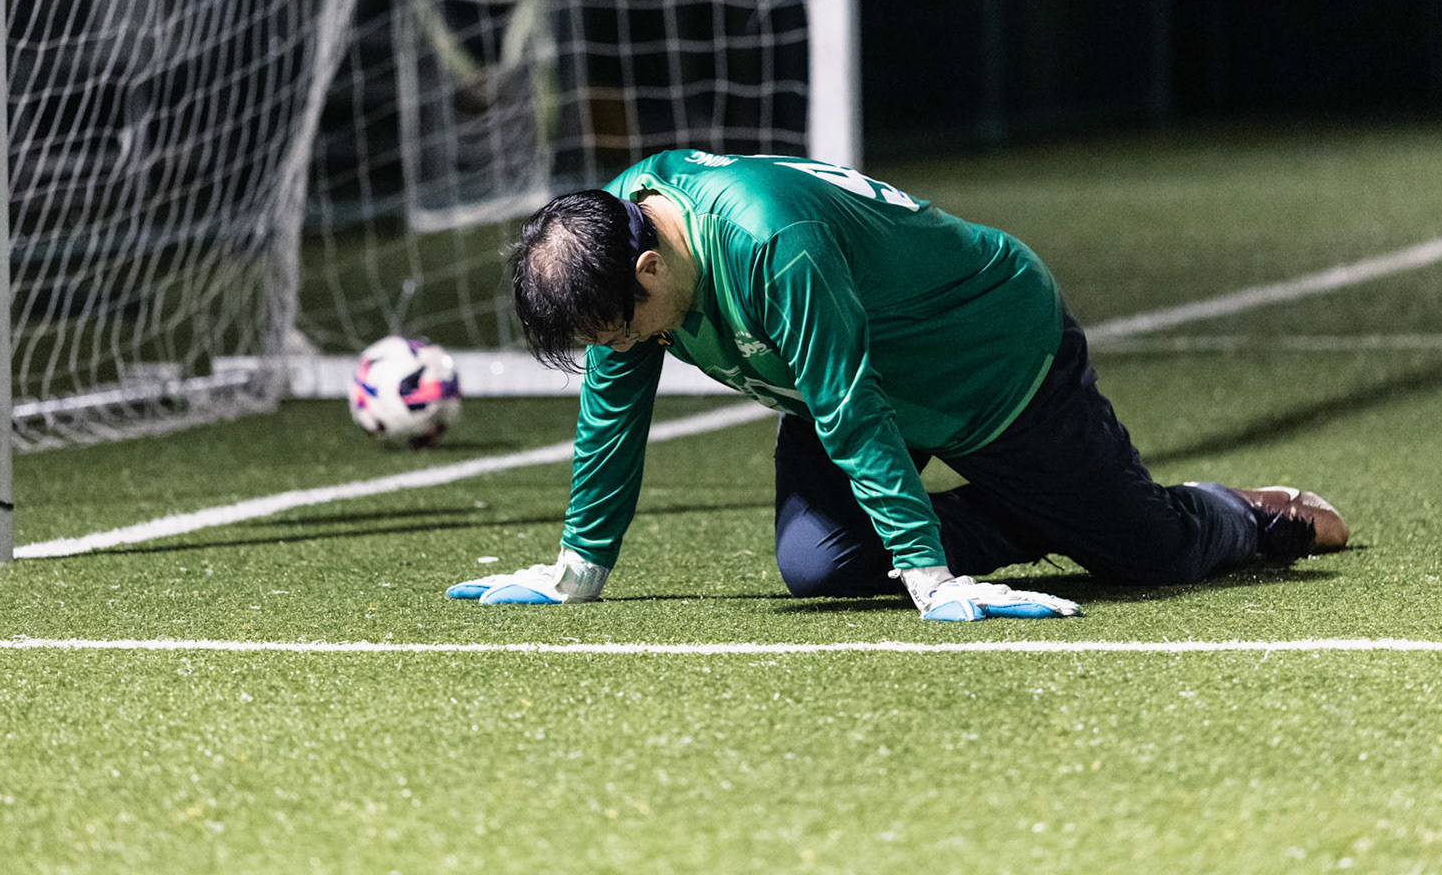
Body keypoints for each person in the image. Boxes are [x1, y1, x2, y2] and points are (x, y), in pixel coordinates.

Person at [448, 150, 1348, 621]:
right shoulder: (611, 239)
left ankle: (1224, 513)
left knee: (1150, 557)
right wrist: (580, 568)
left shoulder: (769, 244)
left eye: (624, 331)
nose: (625, 351)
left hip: (989, 361)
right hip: (855, 373)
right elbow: (613, 410)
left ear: (650, 267)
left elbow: (850, 407)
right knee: (817, 565)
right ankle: (1053, 512)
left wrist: (929, 578)